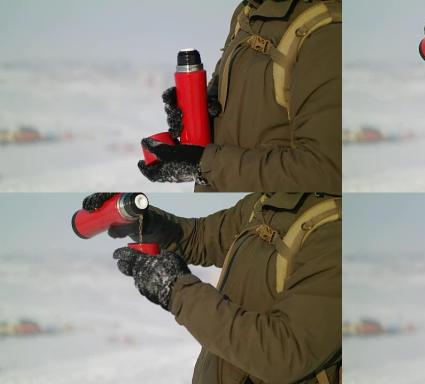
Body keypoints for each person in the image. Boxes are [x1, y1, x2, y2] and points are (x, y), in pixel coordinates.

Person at [81, 192, 342, 384]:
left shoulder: (334, 232)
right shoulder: (267, 200)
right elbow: (202, 237)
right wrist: (145, 222)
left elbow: (285, 353)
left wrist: (175, 289)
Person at [138, 0, 342, 193]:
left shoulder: (325, 31)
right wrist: (199, 111)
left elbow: (324, 171)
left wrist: (204, 163)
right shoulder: (248, 12)